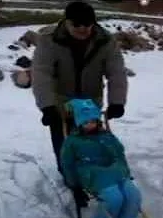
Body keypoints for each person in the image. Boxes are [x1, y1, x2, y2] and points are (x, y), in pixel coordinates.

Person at [32, 1, 128, 177]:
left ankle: (92, 174)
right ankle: (68, 172)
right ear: (66, 21)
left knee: (92, 139)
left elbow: (116, 72)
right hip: (60, 103)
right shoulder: (49, 40)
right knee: (64, 140)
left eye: (87, 24)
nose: (83, 28)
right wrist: (47, 106)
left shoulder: (105, 41)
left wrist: (117, 102)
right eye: (76, 24)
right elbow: (41, 74)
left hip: (90, 103)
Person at [60, 99, 141, 218]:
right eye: (85, 122)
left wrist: (125, 171)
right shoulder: (73, 141)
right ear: (79, 123)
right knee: (114, 198)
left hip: (115, 170)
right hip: (92, 173)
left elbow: (119, 153)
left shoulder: (106, 136)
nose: (90, 124)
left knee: (134, 195)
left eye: (93, 121)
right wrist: (74, 186)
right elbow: (67, 164)